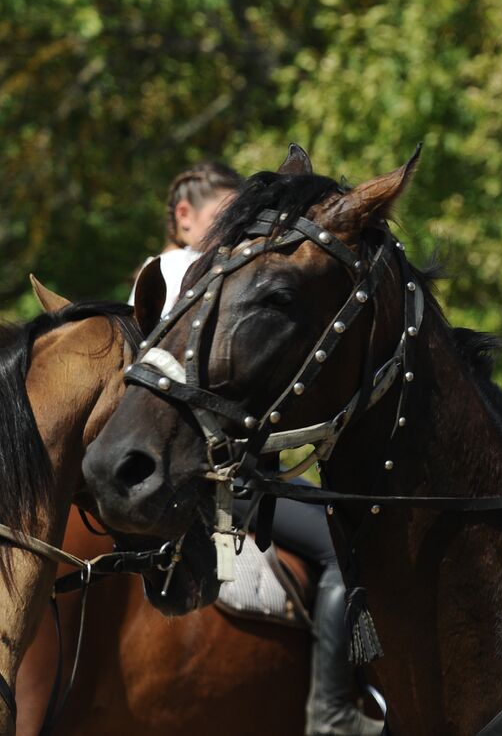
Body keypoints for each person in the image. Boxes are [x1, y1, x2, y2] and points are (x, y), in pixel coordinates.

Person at [136, 162, 378, 736]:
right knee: (346, 544)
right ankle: (333, 713)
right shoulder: (188, 270)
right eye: (224, 216)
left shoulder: (161, 276)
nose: (237, 228)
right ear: (183, 217)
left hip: (205, 465)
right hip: (223, 477)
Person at [131, 162, 241, 315]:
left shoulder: (167, 262)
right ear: (184, 215)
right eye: (221, 218)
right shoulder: (178, 264)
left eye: (238, 219)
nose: (232, 228)